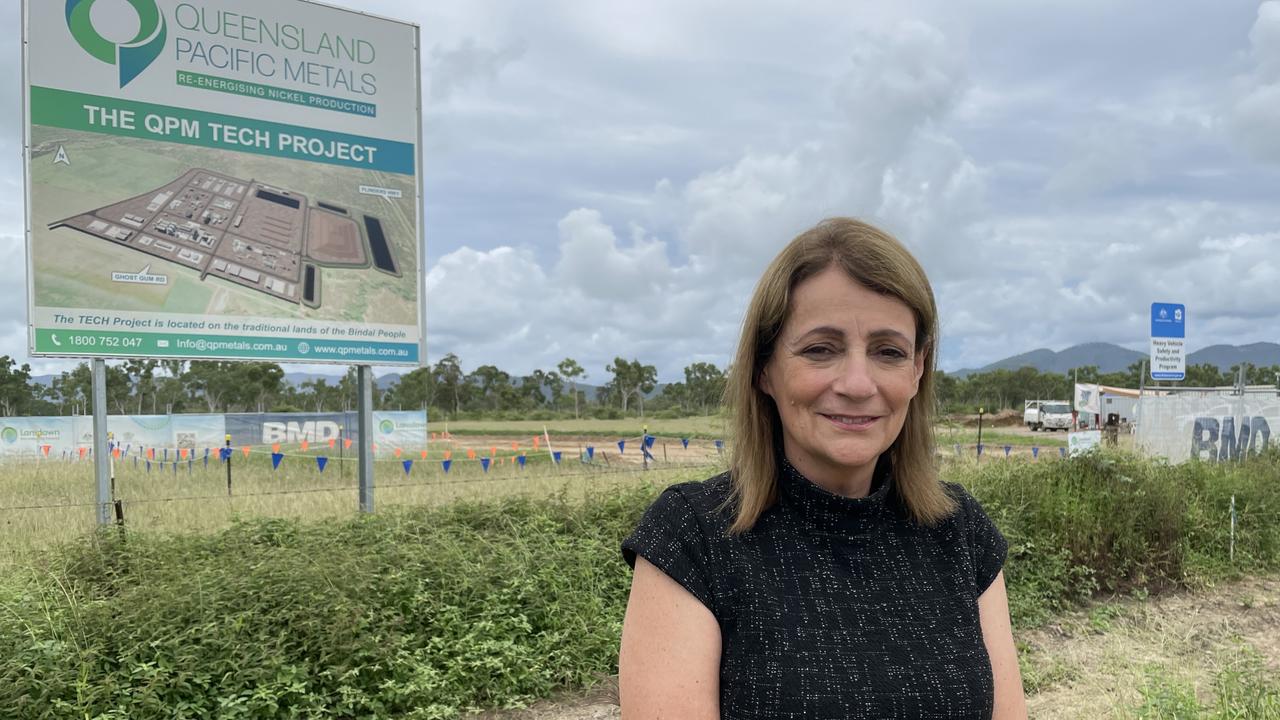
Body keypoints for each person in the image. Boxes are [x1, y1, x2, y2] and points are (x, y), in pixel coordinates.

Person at [618, 218, 1027, 719]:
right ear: (765, 368)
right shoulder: (693, 536)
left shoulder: (960, 531)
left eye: (888, 352)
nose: (857, 383)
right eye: (820, 349)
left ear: (917, 370)